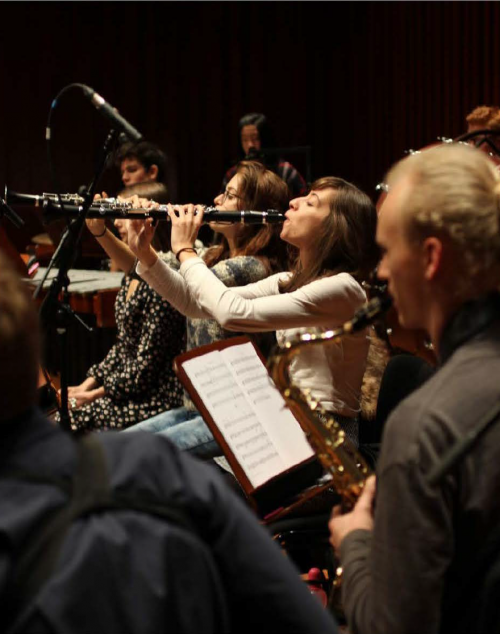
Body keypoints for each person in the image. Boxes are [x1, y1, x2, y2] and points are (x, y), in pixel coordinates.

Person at [0, 251, 340, 634]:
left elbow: (224, 311)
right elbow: (191, 302)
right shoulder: (161, 470)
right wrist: (151, 252)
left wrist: (185, 251)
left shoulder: (312, 280)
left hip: (311, 435)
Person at [329, 143, 500, 634]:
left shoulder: (425, 423)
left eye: (385, 251)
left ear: (430, 257)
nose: (380, 272)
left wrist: (357, 541)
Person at [127, 176, 379, 457]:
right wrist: (145, 254)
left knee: (156, 460)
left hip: (326, 441)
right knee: (136, 451)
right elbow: (193, 303)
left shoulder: (344, 289)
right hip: (289, 423)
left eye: (310, 202)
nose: (294, 202)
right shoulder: (288, 280)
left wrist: (186, 251)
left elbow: (230, 313)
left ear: (336, 228)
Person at [124, 161, 290, 457]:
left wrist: (182, 243)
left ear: (253, 210)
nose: (216, 201)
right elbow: (163, 272)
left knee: (135, 454)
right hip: (199, 406)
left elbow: (188, 289)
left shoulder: (254, 268)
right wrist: (139, 244)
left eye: (229, 195)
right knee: (114, 445)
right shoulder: (211, 256)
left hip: (237, 419)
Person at [61, 181, 186, 432]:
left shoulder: (161, 280)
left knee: (70, 423)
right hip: (128, 389)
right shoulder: (132, 274)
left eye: (123, 213)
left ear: (150, 220)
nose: (116, 222)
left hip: (155, 395)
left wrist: (96, 395)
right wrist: (88, 384)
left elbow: (144, 368)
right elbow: (123, 346)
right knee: (59, 417)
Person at [222, 112, 308, 198]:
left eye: (255, 138)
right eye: (244, 139)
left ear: (265, 139)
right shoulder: (233, 173)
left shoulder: (284, 171)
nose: (250, 145)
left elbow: (303, 201)